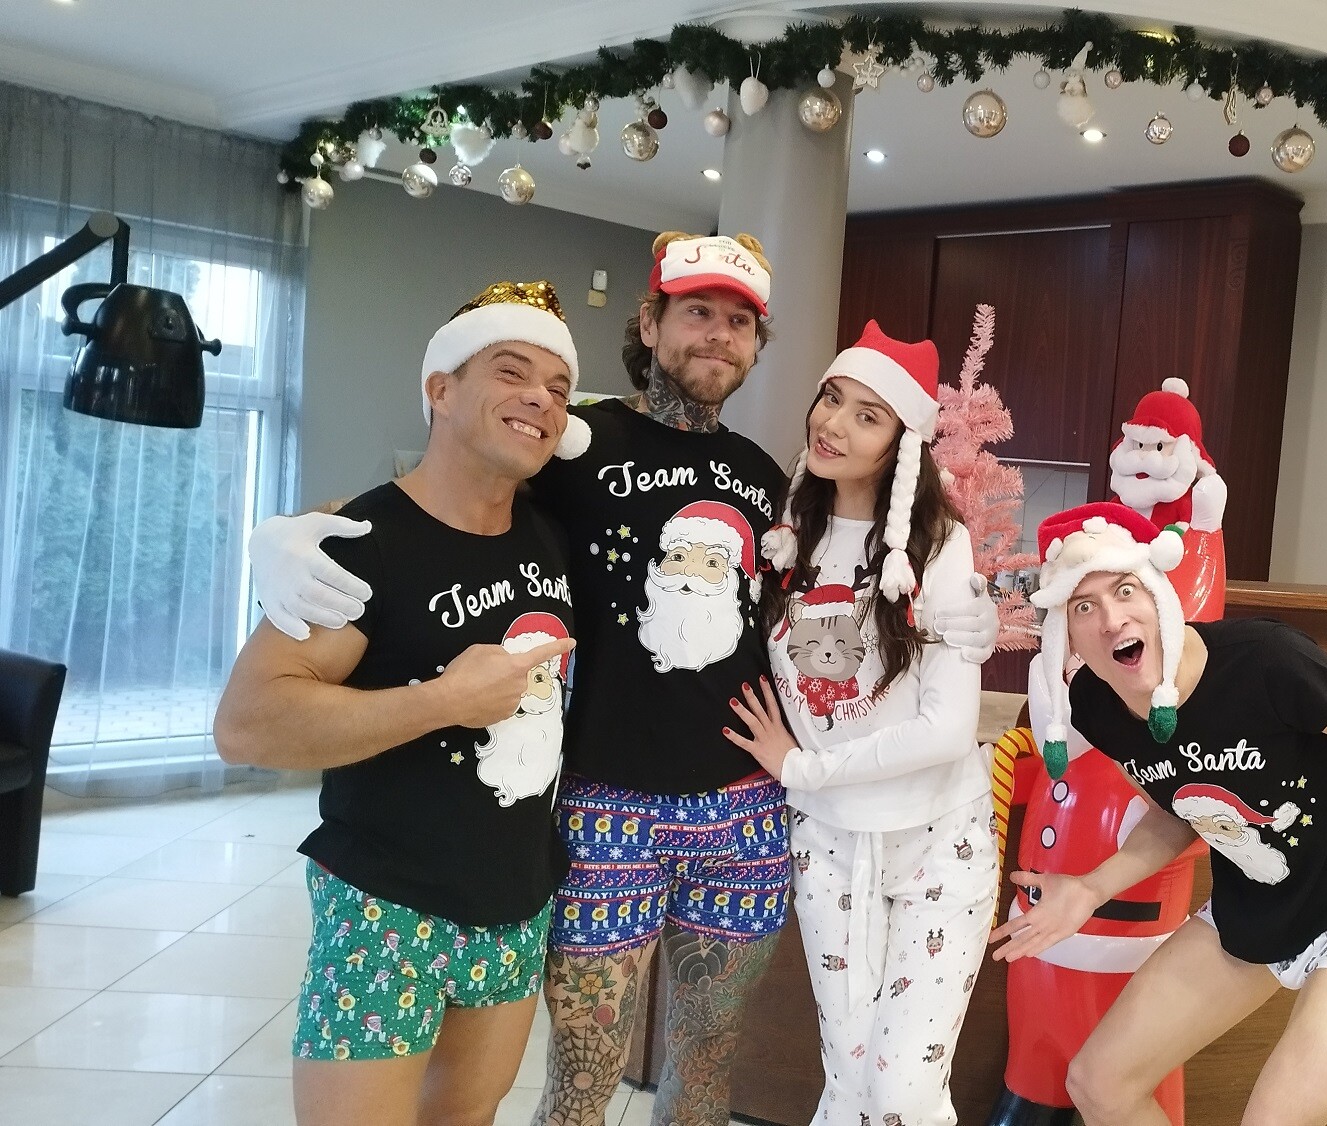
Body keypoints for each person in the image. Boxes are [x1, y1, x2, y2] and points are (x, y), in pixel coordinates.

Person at [246, 235, 1000, 1126]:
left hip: (745, 809)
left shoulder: (772, 480)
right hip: (606, 810)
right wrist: (295, 531)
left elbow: (848, 593)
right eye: (697, 313)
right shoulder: (571, 443)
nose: (718, 335)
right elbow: (452, 495)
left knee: (708, 1059)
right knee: (583, 1073)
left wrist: (965, 619)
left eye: (739, 323)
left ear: (756, 347)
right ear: (650, 324)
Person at [990, 503, 1327, 1126]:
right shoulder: (1097, 705)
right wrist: (1090, 889)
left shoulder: (1267, 660)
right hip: (1256, 908)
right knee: (1099, 1084)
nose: (1112, 620)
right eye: (1083, 606)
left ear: (1160, 594)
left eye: (1125, 590)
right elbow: (1179, 811)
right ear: (1065, 633)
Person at [214, 280, 582, 1126]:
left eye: (559, 388)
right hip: (386, 906)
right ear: (440, 389)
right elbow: (246, 724)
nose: (541, 397)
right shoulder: (361, 543)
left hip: (516, 898)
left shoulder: (551, 533)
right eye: (511, 370)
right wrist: (444, 701)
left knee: (468, 1115)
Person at [722, 321, 997, 1126]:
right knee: (846, 1084)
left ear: (901, 442)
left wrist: (803, 768)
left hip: (937, 841)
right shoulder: (784, 529)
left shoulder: (938, 545)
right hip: (830, 844)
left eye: (867, 415)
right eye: (832, 398)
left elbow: (947, 730)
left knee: (904, 1093)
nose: (833, 424)